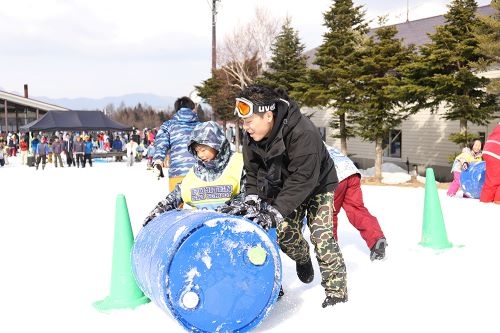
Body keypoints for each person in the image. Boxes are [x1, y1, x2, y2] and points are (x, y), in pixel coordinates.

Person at [220, 84, 347, 308]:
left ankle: (337, 294)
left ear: (268, 115)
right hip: (285, 184)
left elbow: (304, 179)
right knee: (285, 234)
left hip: (318, 184)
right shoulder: (253, 136)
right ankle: (301, 256)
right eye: (243, 122)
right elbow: (253, 170)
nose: (245, 127)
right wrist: (252, 197)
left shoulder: (303, 133)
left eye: (249, 121)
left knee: (321, 236)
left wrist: (275, 211)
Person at [143, 121, 245, 223]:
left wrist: (236, 207)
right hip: (201, 229)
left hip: (232, 226)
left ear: (217, 144)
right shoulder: (197, 171)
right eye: (197, 151)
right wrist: (162, 208)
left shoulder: (238, 163)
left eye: (203, 150)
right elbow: (178, 194)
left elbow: (248, 193)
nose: (200, 155)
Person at [326, 145, 387, 261]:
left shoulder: (303, 144)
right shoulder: (318, 141)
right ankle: (376, 238)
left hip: (336, 175)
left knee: (328, 214)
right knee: (356, 208)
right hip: (351, 171)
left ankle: (330, 250)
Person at [152, 96, 200, 192]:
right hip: (199, 173)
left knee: (176, 204)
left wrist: (158, 161)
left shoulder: (168, 125)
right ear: (192, 107)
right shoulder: (200, 125)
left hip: (177, 172)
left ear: (176, 109)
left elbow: (161, 143)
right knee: (198, 205)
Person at [480, 124, 500, 203]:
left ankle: (485, 200)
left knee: (490, 180)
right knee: (496, 180)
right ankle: (498, 200)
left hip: (488, 149)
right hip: (497, 152)